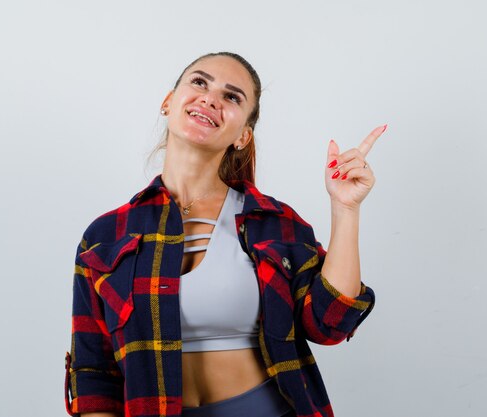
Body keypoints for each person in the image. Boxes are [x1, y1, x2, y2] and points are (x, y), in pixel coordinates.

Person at [65, 51, 383, 417]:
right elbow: (93, 372)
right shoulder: (105, 236)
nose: (211, 98)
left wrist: (346, 209)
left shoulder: (273, 223)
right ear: (168, 103)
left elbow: (330, 324)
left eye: (232, 97)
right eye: (199, 82)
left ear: (243, 136)